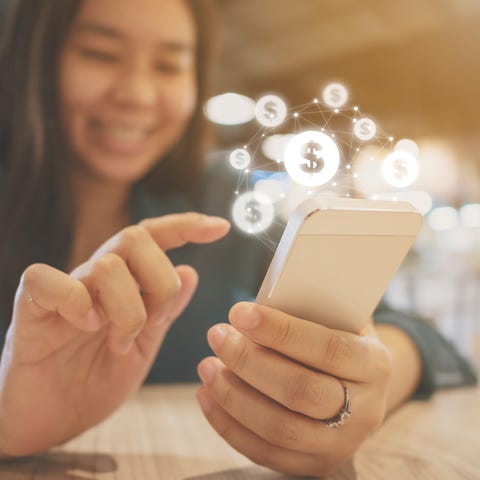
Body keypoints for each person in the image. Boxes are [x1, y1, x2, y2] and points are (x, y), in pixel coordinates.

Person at [0, 0, 476, 476]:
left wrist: (364, 389)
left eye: (170, 64)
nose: (139, 94)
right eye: (101, 54)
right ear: (35, 56)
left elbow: (431, 345)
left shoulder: (221, 201)